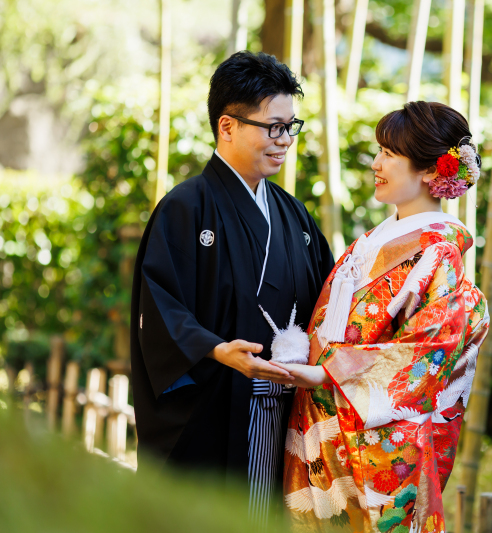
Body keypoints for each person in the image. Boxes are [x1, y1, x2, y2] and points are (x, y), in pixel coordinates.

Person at [130, 51, 335, 522]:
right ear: (227, 126)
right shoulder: (186, 208)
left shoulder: (293, 214)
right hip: (217, 404)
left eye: (290, 126)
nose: (284, 140)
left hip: (287, 408)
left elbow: (330, 298)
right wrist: (218, 350)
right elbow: (160, 305)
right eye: (272, 127)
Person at [273, 101, 490, 533]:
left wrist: (329, 374)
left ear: (431, 170)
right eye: (379, 151)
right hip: (324, 420)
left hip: (375, 436)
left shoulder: (438, 251)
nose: (376, 163)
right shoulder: (376, 239)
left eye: (390, 154)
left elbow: (428, 351)